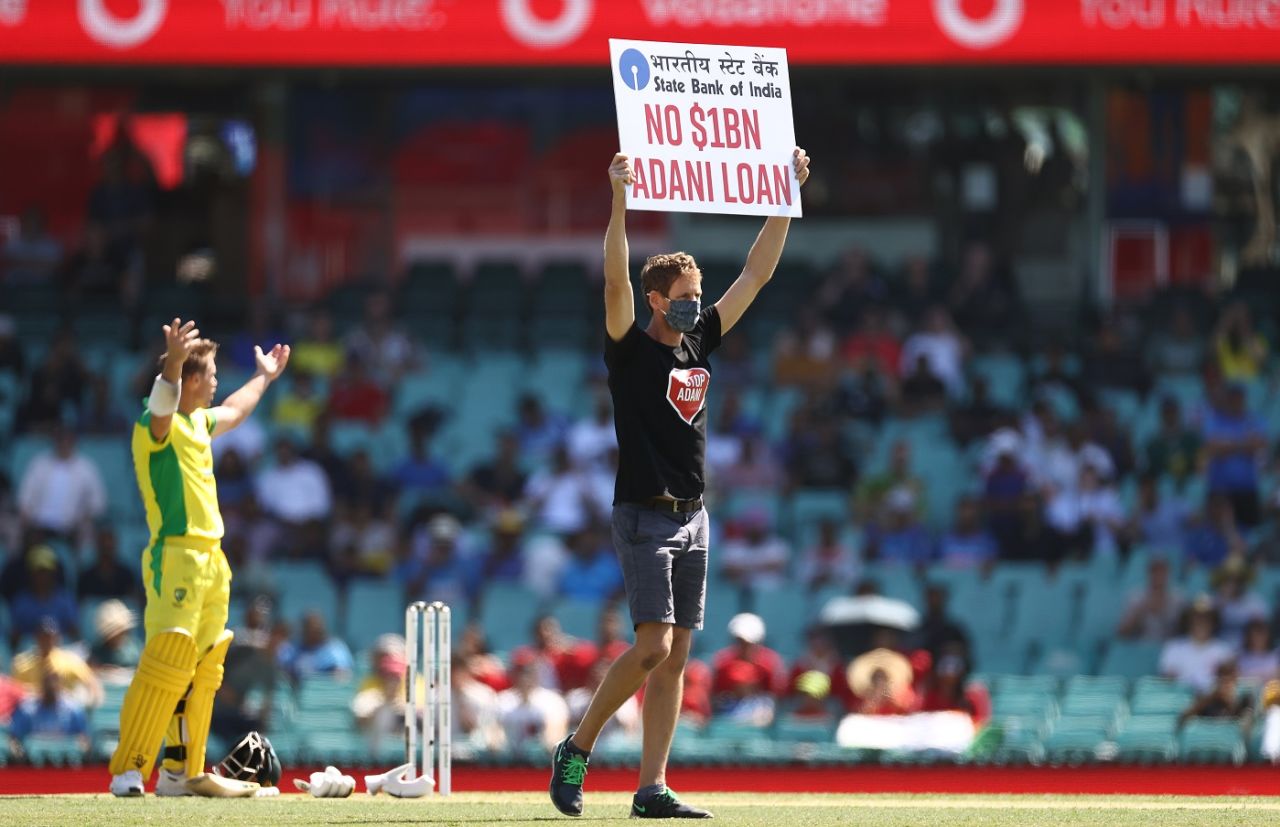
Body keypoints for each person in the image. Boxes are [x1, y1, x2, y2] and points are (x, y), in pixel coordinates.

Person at [550, 147, 809, 821]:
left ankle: (652, 786)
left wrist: (785, 193)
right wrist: (618, 199)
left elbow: (756, 272)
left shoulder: (700, 343)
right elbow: (613, 282)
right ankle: (576, 749)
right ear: (657, 300)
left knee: (676, 658)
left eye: (699, 297)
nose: (697, 307)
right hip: (644, 512)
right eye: (686, 299)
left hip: (695, 516)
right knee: (653, 645)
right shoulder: (629, 347)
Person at [109, 317, 289, 798]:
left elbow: (235, 409)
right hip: (177, 556)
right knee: (168, 658)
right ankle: (129, 769)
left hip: (214, 560)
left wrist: (265, 377)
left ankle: (180, 773)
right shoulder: (155, 427)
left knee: (205, 668)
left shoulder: (200, 423)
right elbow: (165, 400)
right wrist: (171, 359)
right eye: (209, 375)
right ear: (189, 379)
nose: (215, 383)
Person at [17, 425, 106, 543]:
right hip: (39, 525)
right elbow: (25, 496)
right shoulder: (39, 464)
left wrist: (85, 518)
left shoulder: (86, 468)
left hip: (72, 526)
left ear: (74, 441)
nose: (64, 443)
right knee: (15, 528)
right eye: (60, 439)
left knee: (88, 532)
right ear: (55, 441)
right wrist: (27, 517)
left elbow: (99, 502)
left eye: (67, 439)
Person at [7, 672, 91, 763]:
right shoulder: (27, 709)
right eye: (48, 685)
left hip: (65, 762)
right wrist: (18, 756)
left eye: (54, 685)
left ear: (60, 686)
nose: (51, 687)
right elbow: (14, 738)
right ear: (42, 687)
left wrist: (82, 752)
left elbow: (84, 738)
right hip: (34, 762)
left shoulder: (73, 708)